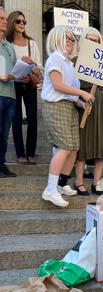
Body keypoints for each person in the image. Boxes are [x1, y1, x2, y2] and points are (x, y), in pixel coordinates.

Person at [41, 26, 94, 208]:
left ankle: (62, 183)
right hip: (56, 106)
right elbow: (57, 85)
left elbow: (68, 92)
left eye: (72, 39)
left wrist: (79, 102)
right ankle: (50, 188)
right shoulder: (55, 58)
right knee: (64, 146)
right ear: (56, 38)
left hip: (69, 106)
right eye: (67, 38)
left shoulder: (70, 63)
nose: (70, 42)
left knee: (73, 148)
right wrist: (82, 94)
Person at [74, 28, 103, 196]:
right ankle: (78, 182)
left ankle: (96, 183)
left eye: (96, 40)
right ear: (83, 41)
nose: (92, 43)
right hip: (84, 105)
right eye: (89, 39)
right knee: (83, 145)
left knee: (101, 145)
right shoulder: (76, 61)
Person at [6, 11, 42, 165]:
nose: (22, 24)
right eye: (19, 21)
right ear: (12, 22)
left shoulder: (31, 43)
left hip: (29, 83)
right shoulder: (7, 44)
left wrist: (31, 63)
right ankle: (20, 153)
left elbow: (40, 65)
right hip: (14, 83)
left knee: (33, 117)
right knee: (16, 118)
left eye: (24, 22)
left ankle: (31, 152)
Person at [0, 7, 16, 178]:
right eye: (1, 18)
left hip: (10, 95)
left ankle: (1, 163)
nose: (5, 21)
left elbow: (13, 69)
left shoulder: (10, 46)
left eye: (5, 18)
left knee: (4, 134)